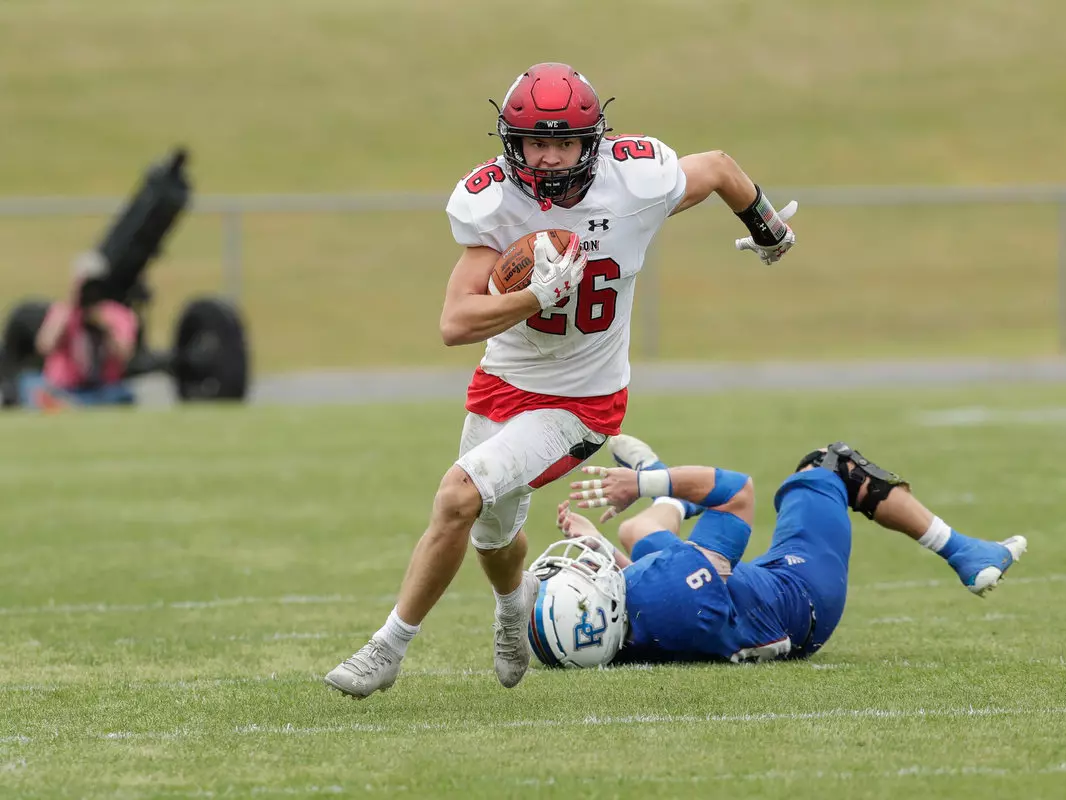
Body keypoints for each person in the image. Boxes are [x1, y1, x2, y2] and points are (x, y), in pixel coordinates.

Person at [325, 62, 800, 696]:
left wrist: (768, 228)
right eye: (533, 143)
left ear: (592, 144)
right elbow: (454, 322)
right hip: (503, 381)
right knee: (494, 535)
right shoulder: (496, 202)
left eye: (563, 142)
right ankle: (512, 608)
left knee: (457, 496)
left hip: (581, 402)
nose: (547, 158)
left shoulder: (634, 183)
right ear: (510, 144)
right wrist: (531, 298)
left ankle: (387, 648)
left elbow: (716, 167)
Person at [526, 433, 1028, 667]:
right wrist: (642, 479)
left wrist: (596, 547)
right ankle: (965, 552)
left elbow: (642, 588)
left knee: (636, 535)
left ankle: (669, 498)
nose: (587, 571)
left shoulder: (623, 637)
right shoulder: (668, 591)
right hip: (799, 592)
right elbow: (737, 493)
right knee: (830, 465)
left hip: (735, 599)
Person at [20, 252, 138, 411]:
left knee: (124, 395)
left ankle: (72, 406)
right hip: (64, 387)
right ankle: (68, 404)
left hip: (104, 389)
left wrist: (105, 327)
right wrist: (69, 312)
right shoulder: (62, 312)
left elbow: (126, 355)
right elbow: (44, 346)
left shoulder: (117, 315)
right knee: (30, 383)